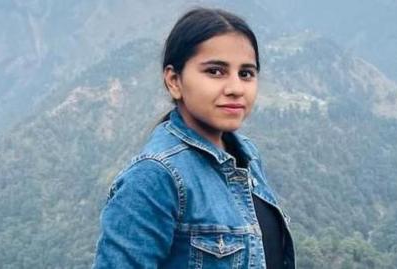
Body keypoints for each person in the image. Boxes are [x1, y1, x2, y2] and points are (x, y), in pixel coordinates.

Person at [92, 7, 295, 269]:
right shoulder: (154, 177)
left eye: (246, 73)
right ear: (174, 81)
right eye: (215, 71)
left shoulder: (247, 156)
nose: (235, 88)